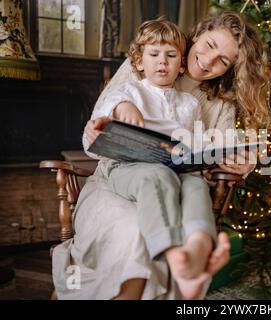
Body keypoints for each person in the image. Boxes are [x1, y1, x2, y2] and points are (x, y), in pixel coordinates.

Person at [52, 11, 271, 300]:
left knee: (187, 195)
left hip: (179, 184)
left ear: (231, 69)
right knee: (136, 229)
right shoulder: (150, 59)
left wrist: (245, 162)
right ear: (198, 34)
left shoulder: (217, 103)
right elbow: (98, 130)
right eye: (209, 45)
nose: (207, 61)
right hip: (116, 183)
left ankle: (195, 256)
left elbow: (220, 147)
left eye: (223, 60)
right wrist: (108, 123)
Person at [93, 17, 225, 299]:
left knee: (196, 185)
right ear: (139, 62)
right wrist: (123, 107)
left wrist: (203, 150)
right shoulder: (129, 90)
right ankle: (172, 252)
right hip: (129, 167)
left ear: (181, 65)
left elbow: (193, 139)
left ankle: (199, 247)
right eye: (154, 55)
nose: (162, 62)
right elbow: (106, 110)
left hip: (176, 168)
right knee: (158, 175)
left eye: (171, 55)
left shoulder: (189, 104)